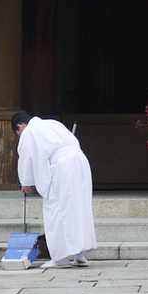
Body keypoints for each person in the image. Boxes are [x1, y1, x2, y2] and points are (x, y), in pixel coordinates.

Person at [15, 111, 96, 268]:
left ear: (20, 126)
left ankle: (60, 258)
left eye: (18, 133)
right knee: (79, 207)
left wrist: (26, 182)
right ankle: (80, 255)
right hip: (80, 162)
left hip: (63, 167)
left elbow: (27, 157)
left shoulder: (29, 131)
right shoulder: (53, 123)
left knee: (56, 209)